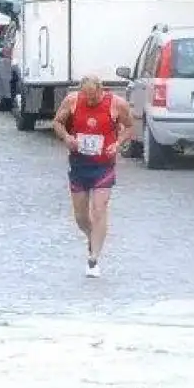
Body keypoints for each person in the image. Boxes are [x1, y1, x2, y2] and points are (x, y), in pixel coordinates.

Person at [50, 77, 133, 279]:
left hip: (103, 166)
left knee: (99, 209)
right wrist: (67, 137)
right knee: (80, 217)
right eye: (86, 96)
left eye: (93, 96)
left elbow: (130, 127)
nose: (90, 100)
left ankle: (93, 259)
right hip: (79, 164)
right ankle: (92, 236)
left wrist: (118, 143)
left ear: (100, 91)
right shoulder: (72, 101)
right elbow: (57, 123)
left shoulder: (116, 104)